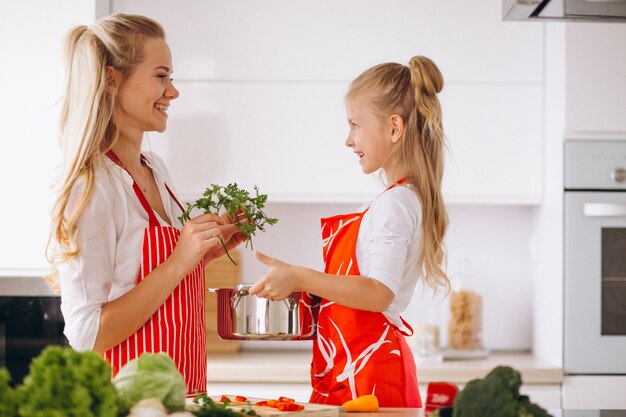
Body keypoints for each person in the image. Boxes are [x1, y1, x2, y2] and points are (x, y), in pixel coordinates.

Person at [46, 13, 244, 395]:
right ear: (111, 79)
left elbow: (144, 276)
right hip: (127, 403)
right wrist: (181, 260)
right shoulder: (92, 186)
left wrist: (206, 253)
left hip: (181, 394)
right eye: (161, 76)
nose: (173, 91)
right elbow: (88, 334)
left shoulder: (155, 170)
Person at [249, 56, 449, 407]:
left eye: (355, 125)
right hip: (357, 365)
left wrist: (298, 276)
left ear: (393, 128)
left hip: (373, 375)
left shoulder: (396, 203)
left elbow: (377, 293)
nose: (348, 139)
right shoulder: (395, 199)